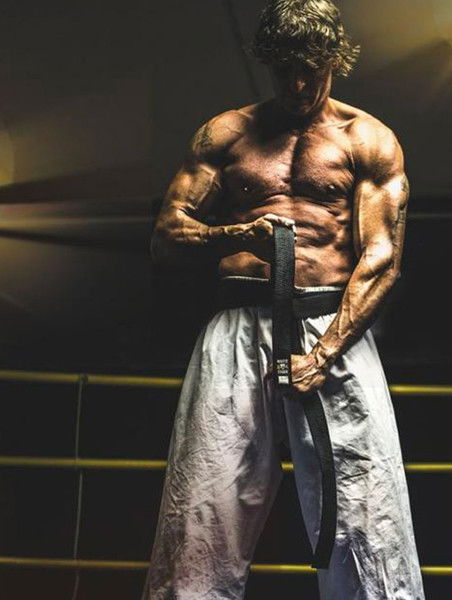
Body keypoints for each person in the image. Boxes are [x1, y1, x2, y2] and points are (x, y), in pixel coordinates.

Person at [141, 1, 425, 598]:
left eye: (311, 69)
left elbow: (382, 258)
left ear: (334, 61)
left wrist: (324, 354)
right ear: (268, 63)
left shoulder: (368, 140)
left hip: (333, 327)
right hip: (238, 326)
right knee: (203, 505)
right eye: (285, 70)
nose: (298, 85)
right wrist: (235, 235)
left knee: (366, 512)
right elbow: (167, 236)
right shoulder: (226, 134)